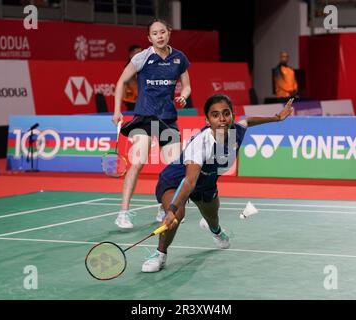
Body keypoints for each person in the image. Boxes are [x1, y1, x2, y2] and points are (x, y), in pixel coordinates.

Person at [141, 94, 294, 272]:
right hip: (177, 179)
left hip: (206, 183)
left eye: (226, 113)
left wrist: (277, 118)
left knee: (212, 218)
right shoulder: (201, 143)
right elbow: (189, 181)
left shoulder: (237, 130)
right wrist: (172, 210)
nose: (222, 119)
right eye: (215, 115)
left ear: (232, 116)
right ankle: (160, 254)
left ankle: (216, 231)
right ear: (207, 120)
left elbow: (249, 121)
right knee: (175, 217)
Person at [112, 18, 191, 229]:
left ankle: (163, 206)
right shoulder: (142, 58)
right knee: (137, 163)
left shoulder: (179, 58)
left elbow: (187, 86)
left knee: (174, 167)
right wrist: (117, 110)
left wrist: (183, 95)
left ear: (169, 33)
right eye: (155, 33)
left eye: (162, 32)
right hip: (144, 118)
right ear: (150, 38)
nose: (159, 36)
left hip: (167, 118)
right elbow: (121, 81)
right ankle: (123, 212)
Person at [123, 44, 142, 111]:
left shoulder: (140, 65)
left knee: (152, 117)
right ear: (131, 54)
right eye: (137, 53)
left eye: (141, 53)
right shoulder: (129, 67)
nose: (140, 55)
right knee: (134, 116)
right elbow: (131, 83)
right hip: (132, 99)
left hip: (138, 98)